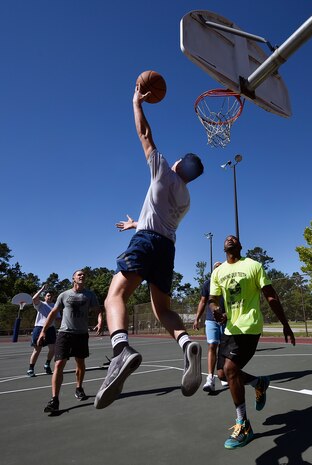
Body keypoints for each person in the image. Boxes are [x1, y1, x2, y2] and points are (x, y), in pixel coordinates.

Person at [94, 83, 204, 410]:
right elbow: (159, 218)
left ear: (179, 164)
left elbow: (144, 133)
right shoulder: (186, 199)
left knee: (114, 295)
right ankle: (186, 345)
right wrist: (135, 223)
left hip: (146, 241)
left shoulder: (161, 173)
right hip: (167, 248)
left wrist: (136, 102)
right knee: (163, 310)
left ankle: (120, 350)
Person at [209, 235, 296, 449]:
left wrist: (285, 323)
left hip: (249, 326)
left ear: (240, 246)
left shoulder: (253, 266)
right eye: (227, 238)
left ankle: (244, 425)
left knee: (230, 369)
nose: (230, 239)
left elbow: (271, 295)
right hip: (230, 328)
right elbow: (212, 300)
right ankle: (259, 383)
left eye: (234, 238)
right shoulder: (218, 272)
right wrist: (216, 311)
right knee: (222, 374)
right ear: (224, 247)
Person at [38, 270, 103, 413]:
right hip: (64, 334)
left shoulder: (90, 295)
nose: (82, 276)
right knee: (59, 364)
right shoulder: (64, 295)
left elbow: (98, 310)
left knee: (80, 363)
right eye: (79, 274)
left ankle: (79, 388)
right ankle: (54, 400)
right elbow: (53, 313)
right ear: (73, 278)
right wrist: (43, 331)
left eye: (84, 275)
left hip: (81, 334)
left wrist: (100, 321)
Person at [193, 262, 227, 392]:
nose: (219, 269)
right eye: (216, 267)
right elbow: (202, 302)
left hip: (226, 320)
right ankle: (210, 378)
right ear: (213, 271)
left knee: (224, 349)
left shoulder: (228, 283)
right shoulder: (208, 284)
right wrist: (197, 318)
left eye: (221, 267)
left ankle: (223, 376)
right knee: (212, 345)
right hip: (211, 319)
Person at [27, 285, 58, 377]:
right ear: (45, 297)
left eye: (51, 296)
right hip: (39, 328)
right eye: (48, 295)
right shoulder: (40, 304)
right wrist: (41, 289)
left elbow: (58, 318)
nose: (50, 297)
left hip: (51, 329)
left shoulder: (56, 306)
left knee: (53, 349)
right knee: (37, 350)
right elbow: (34, 298)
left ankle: (47, 364)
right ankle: (31, 368)